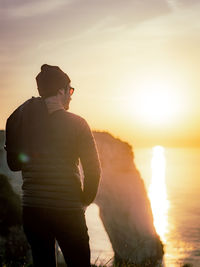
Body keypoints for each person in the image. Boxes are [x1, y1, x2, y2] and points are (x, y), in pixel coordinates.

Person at [5, 64, 101, 267]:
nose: (71, 96)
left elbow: (13, 164)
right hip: (68, 210)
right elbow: (93, 170)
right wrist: (83, 201)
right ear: (61, 91)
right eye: (70, 90)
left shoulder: (24, 122)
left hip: (32, 210)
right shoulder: (78, 124)